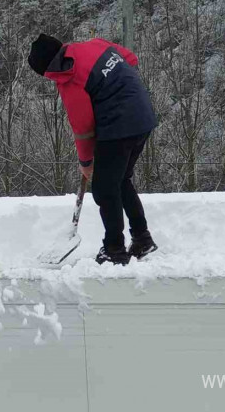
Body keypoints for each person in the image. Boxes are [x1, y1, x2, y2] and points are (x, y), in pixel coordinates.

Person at [27, 33, 158, 265]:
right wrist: (112, 89)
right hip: (143, 114)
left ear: (48, 71)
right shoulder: (94, 45)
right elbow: (131, 59)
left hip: (120, 125)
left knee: (105, 190)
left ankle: (114, 249)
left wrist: (86, 162)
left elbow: (83, 128)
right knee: (121, 180)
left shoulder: (69, 79)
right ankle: (142, 239)